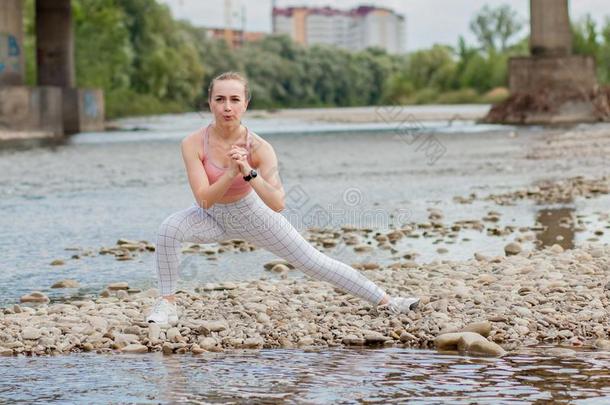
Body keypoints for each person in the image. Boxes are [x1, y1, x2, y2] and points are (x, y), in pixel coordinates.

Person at [146, 71, 420, 325]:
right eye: (219, 99)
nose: (227, 107)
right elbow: (204, 200)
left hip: (253, 215)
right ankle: (167, 304)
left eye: (234, 99)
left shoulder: (261, 147)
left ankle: (388, 302)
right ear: (209, 103)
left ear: (246, 104)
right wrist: (230, 174)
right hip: (211, 217)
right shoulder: (193, 143)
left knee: (313, 262)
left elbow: (277, 203)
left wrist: (248, 172)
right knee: (169, 229)